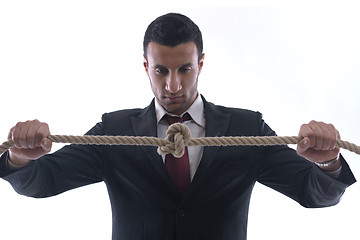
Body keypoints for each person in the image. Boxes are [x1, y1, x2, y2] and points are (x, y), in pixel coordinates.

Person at [0, 13, 356, 240]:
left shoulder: (246, 128)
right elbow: (43, 182)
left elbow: (314, 194)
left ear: (200, 63)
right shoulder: (116, 129)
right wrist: (19, 157)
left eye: (184, 69)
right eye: (161, 70)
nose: (173, 85)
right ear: (145, 66)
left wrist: (327, 161)